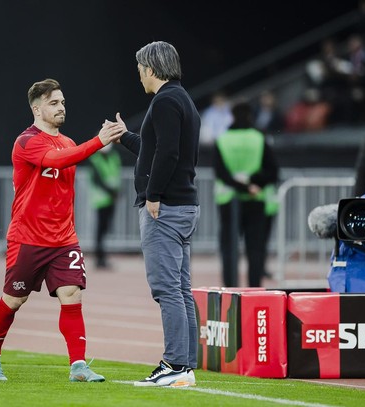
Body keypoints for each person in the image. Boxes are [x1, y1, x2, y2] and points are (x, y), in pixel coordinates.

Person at [0, 78, 123, 382]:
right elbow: (56, 160)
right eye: (53, 103)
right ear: (36, 108)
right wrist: (98, 141)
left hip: (64, 239)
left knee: (72, 295)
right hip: (28, 238)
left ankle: (78, 366)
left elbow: (67, 162)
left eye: (62, 102)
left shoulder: (69, 141)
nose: (61, 108)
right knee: (13, 301)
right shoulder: (27, 141)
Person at [107, 41, 200, 387]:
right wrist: (126, 137)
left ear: (150, 68)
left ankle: (174, 365)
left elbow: (168, 153)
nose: (139, 76)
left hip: (167, 207)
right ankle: (186, 366)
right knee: (180, 287)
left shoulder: (163, 101)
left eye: (140, 69)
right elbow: (156, 148)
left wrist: (154, 195)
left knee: (167, 289)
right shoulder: (182, 99)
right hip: (185, 204)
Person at [213, 101, 279, 288]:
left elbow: (220, 173)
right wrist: (253, 184)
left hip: (228, 200)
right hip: (255, 200)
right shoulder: (259, 137)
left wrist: (239, 186)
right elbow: (272, 170)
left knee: (228, 249)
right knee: (256, 249)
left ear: (232, 116)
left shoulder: (223, 139)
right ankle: (254, 288)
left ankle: (229, 287)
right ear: (251, 115)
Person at [88, 143, 121, 269]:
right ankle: (99, 257)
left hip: (111, 199)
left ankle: (102, 256)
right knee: (100, 230)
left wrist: (116, 192)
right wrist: (111, 191)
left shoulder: (114, 157)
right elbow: (97, 180)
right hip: (101, 200)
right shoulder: (95, 160)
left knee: (105, 229)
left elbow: (115, 175)